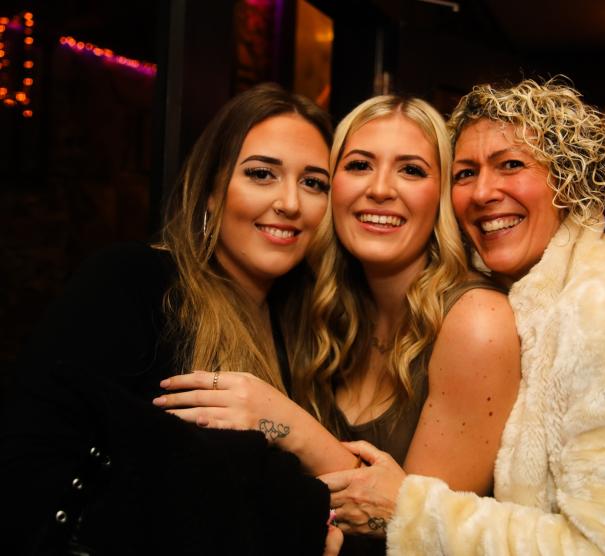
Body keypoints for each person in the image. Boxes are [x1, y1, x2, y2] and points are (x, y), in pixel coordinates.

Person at [319, 78, 605, 555]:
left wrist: (411, 512)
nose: (483, 192)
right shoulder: (516, 293)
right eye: (466, 173)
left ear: (569, 180)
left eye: (511, 164)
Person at [157, 95, 521, 554]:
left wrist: (289, 424)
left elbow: (424, 539)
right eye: (359, 165)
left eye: (411, 170)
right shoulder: (321, 307)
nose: (380, 189)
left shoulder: (476, 321)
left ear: (443, 196)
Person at [0, 82, 341, 555]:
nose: (290, 203)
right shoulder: (135, 283)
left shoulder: (305, 328)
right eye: (262, 174)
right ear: (211, 190)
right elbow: (28, 469)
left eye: (314, 183)